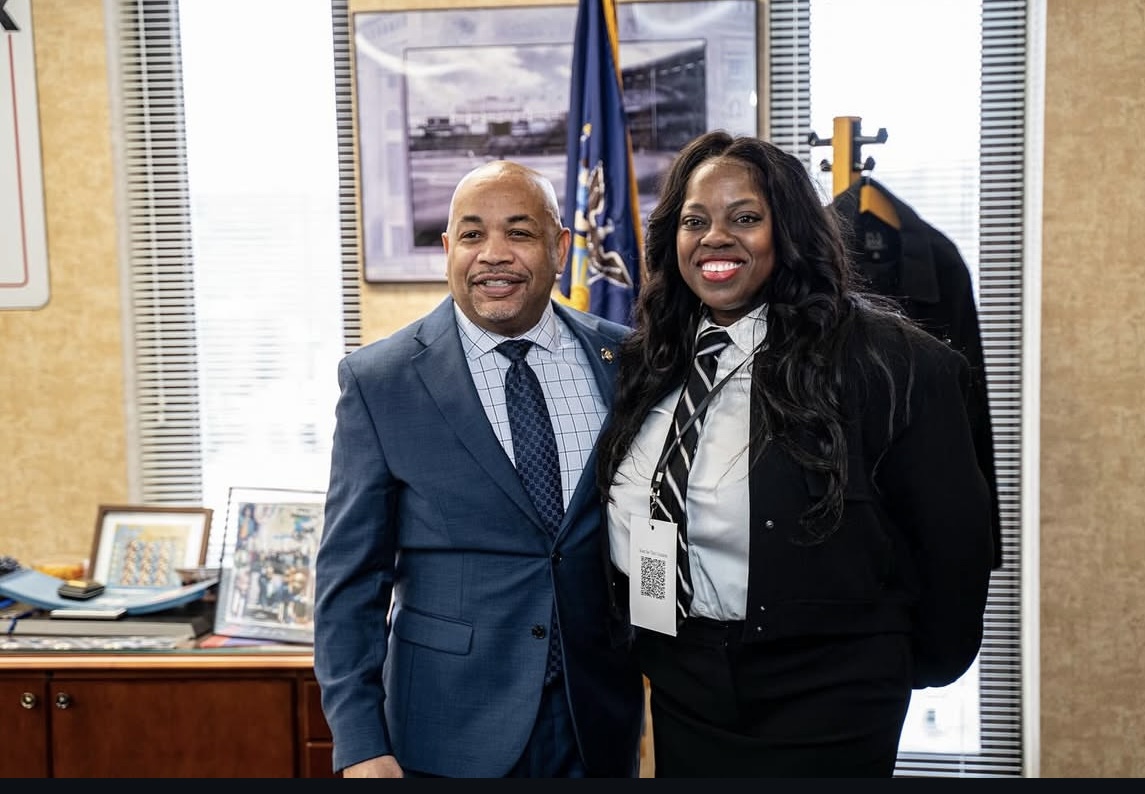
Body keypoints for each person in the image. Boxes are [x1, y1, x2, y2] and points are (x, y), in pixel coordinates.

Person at [596, 131, 994, 778]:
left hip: (828, 698)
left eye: (745, 218)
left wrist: (899, 667)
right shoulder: (650, 361)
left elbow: (953, 544)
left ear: (790, 231)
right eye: (694, 221)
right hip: (684, 684)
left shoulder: (893, 364)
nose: (714, 238)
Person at [313, 160, 644, 778]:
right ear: (447, 249)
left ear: (559, 247)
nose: (494, 255)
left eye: (519, 232)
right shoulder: (380, 381)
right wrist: (359, 742)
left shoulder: (624, 360)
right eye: (471, 234)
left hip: (594, 722)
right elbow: (349, 582)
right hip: (447, 729)